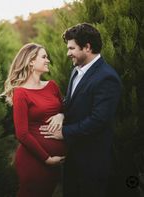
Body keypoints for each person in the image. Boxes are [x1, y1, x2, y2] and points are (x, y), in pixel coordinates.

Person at [40, 23, 122, 197]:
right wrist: (62, 113)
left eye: (71, 48)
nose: (68, 53)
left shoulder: (107, 77)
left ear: (87, 47)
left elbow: (99, 120)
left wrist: (64, 132)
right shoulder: (76, 70)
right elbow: (73, 102)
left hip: (93, 162)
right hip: (74, 158)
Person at [0, 43, 67, 197]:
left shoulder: (52, 86)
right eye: (44, 57)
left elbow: (64, 109)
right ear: (31, 61)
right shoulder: (21, 93)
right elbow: (22, 134)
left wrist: (61, 115)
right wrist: (47, 159)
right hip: (35, 161)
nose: (48, 60)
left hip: (54, 164)